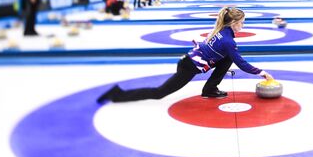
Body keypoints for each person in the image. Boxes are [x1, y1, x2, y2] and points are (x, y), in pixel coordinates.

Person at [96, 7, 274, 103]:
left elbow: (232, 58)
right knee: (159, 93)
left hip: (190, 61)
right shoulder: (228, 41)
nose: (243, 25)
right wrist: (261, 72)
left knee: (227, 57)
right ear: (233, 22)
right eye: (242, 22)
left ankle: (209, 89)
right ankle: (117, 94)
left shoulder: (223, 32)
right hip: (188, 66)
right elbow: (241, 63)